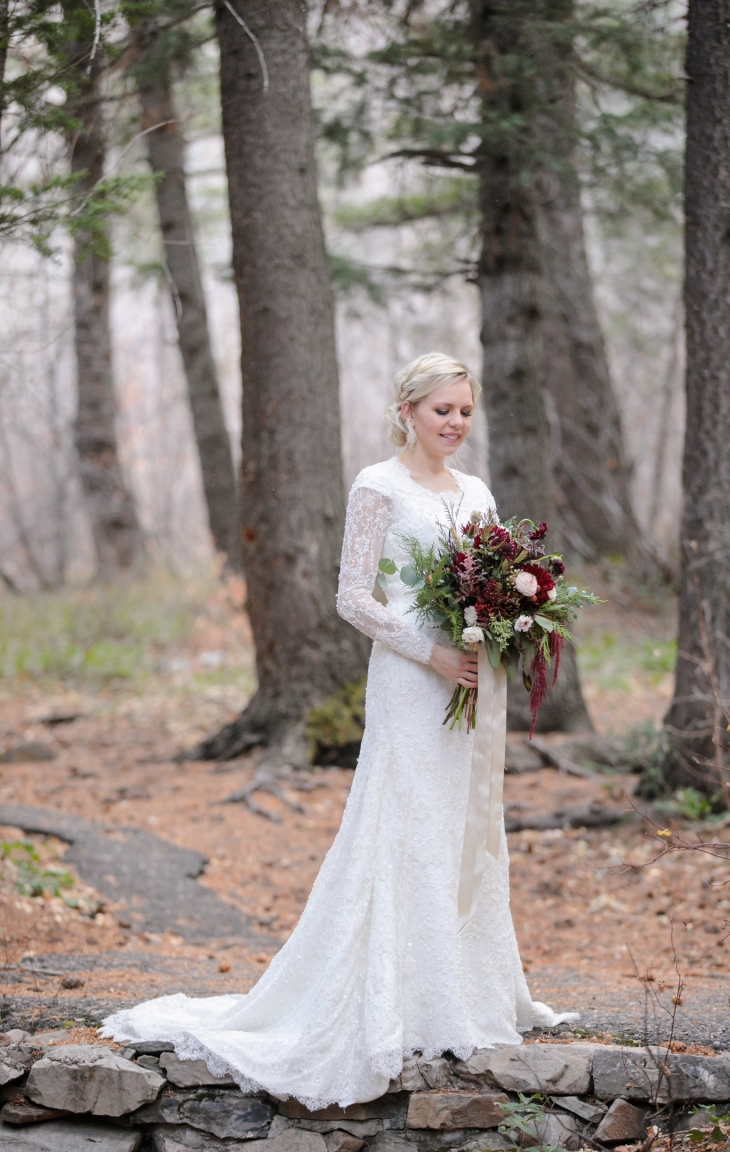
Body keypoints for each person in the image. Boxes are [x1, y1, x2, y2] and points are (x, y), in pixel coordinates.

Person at [101, 353, 577, 1108]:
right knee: (406, 820)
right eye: (440, 411)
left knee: (461, 824)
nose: (454, 423)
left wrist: (494, 634)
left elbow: (486, 576)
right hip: (409, 676)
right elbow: (352, 596)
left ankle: (462, 992)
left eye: (464, 411)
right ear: (406, 411)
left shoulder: (477, 492)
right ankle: (402, 998)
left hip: (468, 677)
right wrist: (432, 652)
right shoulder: (376, 485)